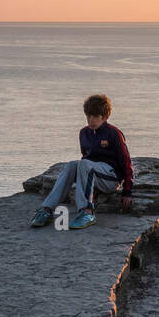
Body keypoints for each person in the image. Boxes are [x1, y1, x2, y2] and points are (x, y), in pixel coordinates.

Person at [30, 94, 134, 229]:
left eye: (95, 116)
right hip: (94, 175)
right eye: (89, 116)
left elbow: (126, 162)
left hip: (111, 178)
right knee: (72, 165)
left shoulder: (113, 133)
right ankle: (47, 209)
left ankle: (87, 212)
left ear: (105, 117)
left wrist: (127, 192)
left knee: (84, 164)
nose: (91, 120)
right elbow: (86, 157)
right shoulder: (84, 133)